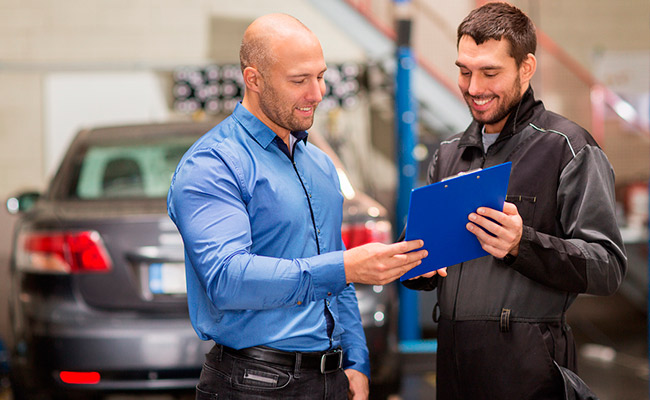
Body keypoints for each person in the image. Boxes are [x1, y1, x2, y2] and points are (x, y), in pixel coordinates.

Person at [168, 13, 428, 400]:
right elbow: (226, 278)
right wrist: (345, 267)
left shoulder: (319, 165)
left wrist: (356, 361)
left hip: (330, 379)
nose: (317, 93)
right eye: (298, 80)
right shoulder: (214, 163)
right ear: (253, 79)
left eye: (320, 76)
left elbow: (335, 275)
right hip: (253, 384)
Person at [403, 2, 627, 399]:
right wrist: (416, 266)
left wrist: (521, 245)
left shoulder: (568, 149)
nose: (473, 88)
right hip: (455, 369)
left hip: (530, 373)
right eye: (464, 71)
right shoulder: (449, 153)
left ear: (526, 68)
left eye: (490, 73)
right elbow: (422, 253)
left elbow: (606, 267)